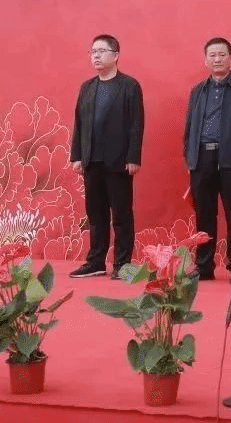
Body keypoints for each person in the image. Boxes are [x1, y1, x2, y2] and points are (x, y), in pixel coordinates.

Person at [183, 37, 231, 285]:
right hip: (202, 158)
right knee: (204, 215)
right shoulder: (198, 90)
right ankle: (204, 265)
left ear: (230, 58)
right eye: (212, 55)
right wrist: (190, 156)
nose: (217, 59)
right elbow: (189, 126)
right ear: (205, 60)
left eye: (222, 55)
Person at [70, 34, 144, 279]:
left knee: (121, 215)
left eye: (101, 51)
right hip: (91, 160)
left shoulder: (129, 86)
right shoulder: (87, 87)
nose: (96, 56)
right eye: (93, 52)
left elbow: (136, 124)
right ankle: (96, 261)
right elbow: (79, 123)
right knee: (95, 215)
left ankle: (122, 264)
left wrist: (133, 157)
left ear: (116, 55)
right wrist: (77, 156)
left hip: (119, 161)